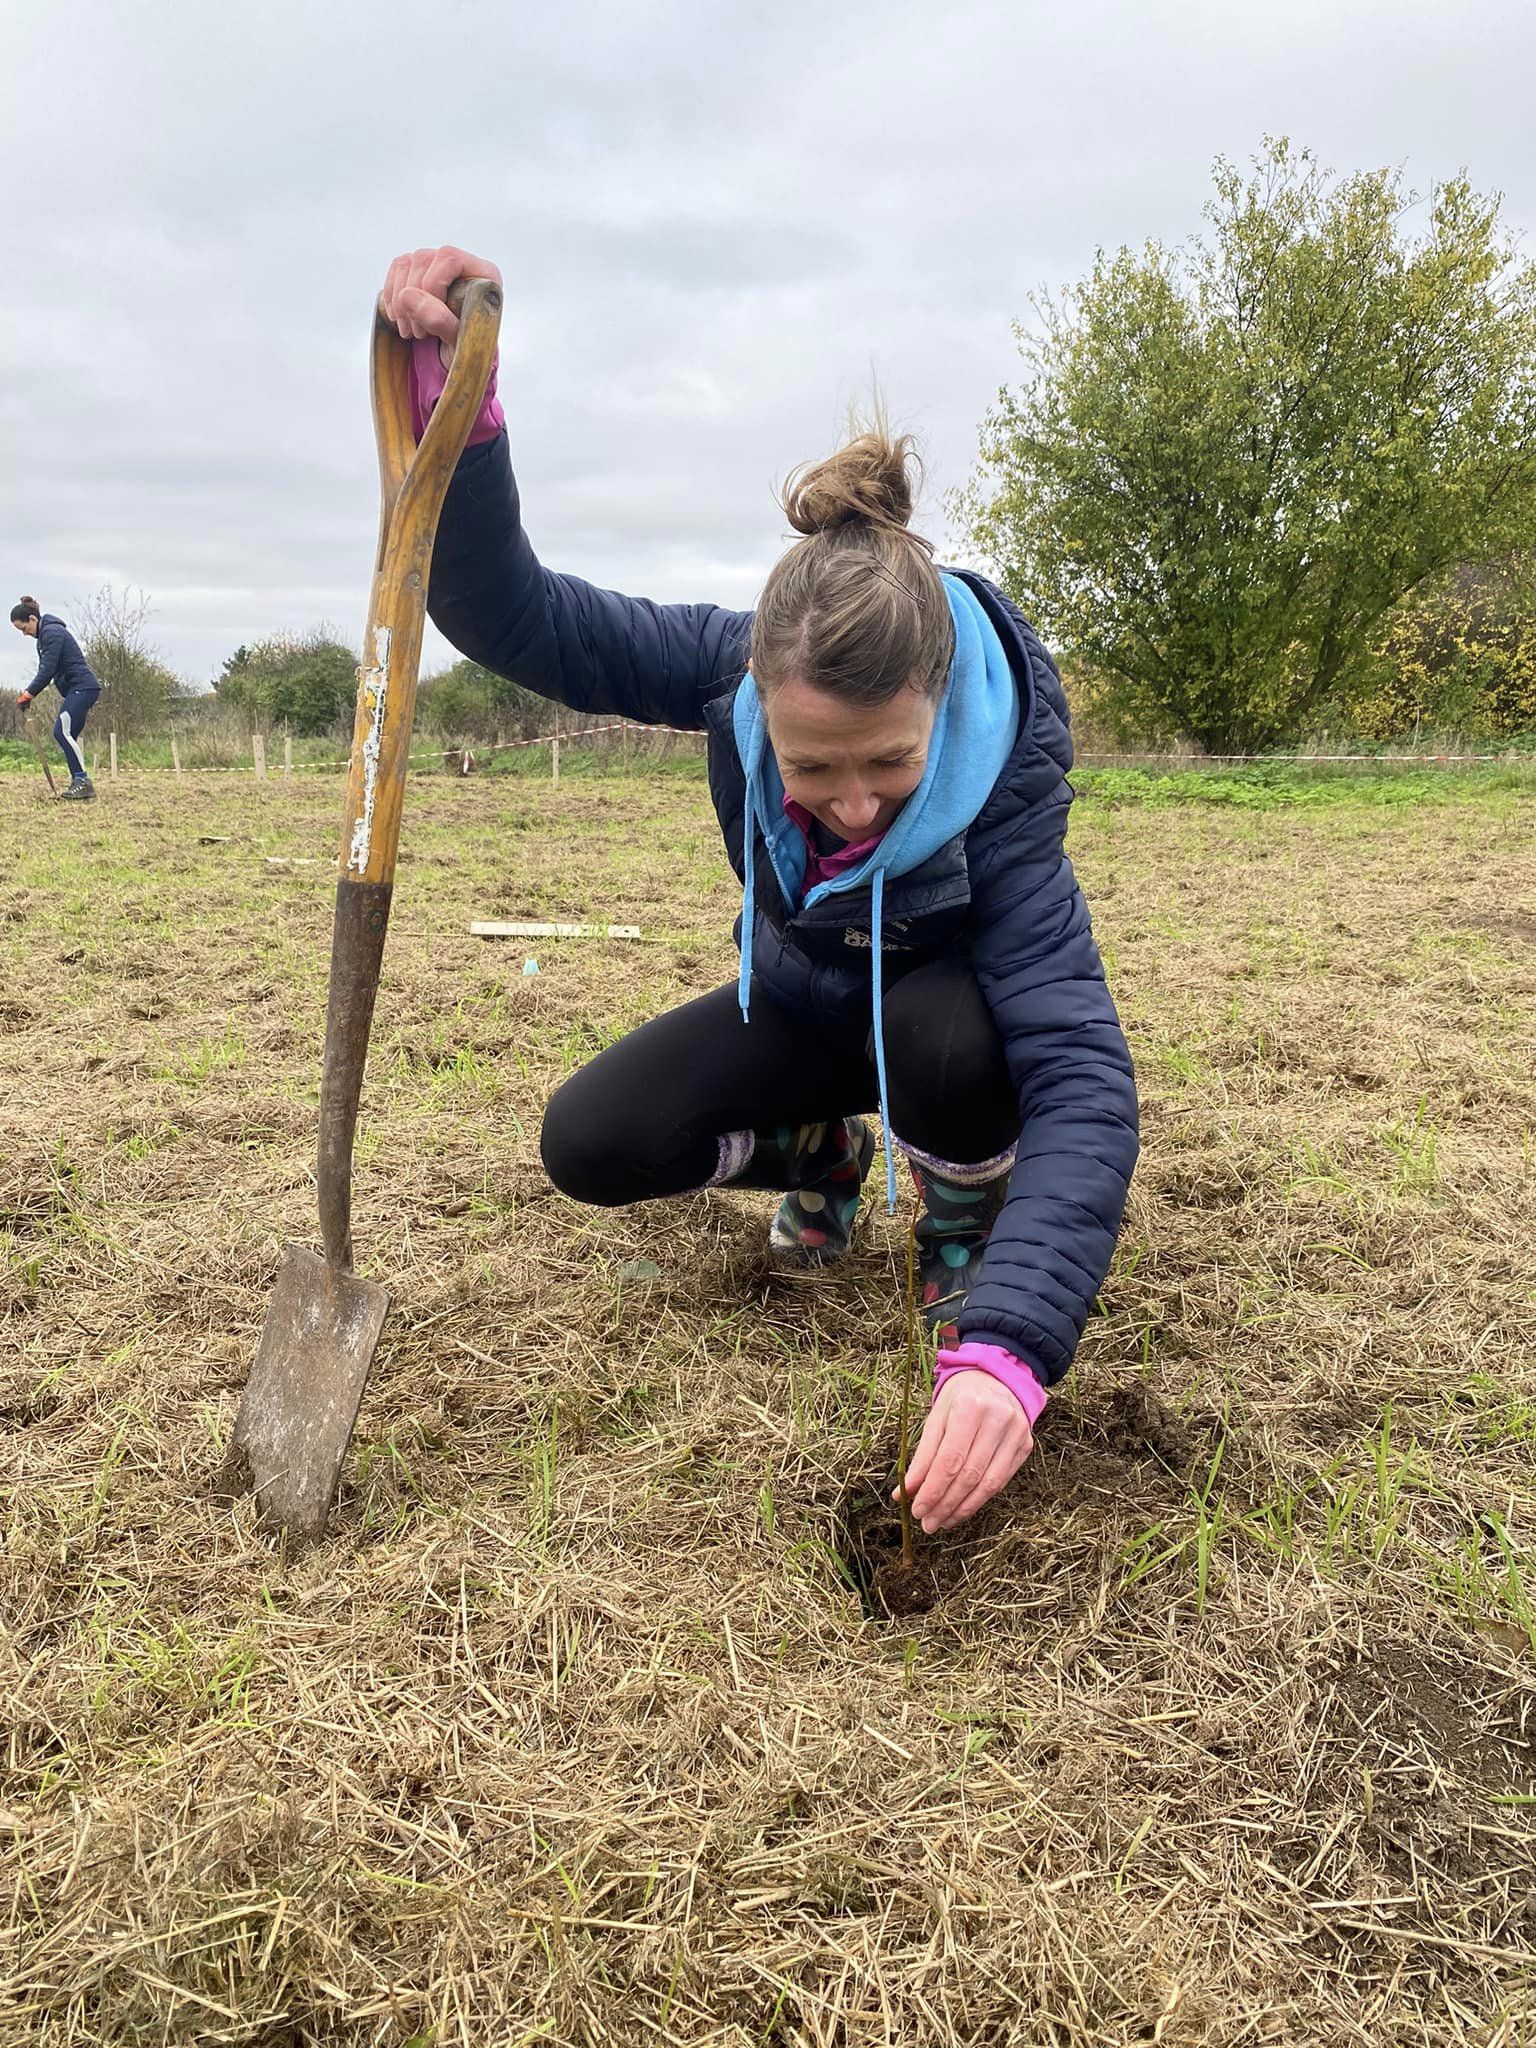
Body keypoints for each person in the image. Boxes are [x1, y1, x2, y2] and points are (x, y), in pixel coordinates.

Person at [382, 246, 1140, 1536]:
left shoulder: (1005, 786)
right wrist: (465, 401)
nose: (852, 804)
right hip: (802, 1009)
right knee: (594, 1141)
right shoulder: (723, 673)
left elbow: (1085, 1080)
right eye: (813, 768)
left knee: (948, 1035)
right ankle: (828, 1151)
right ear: (757, 712)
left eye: (890, 765)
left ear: (939, 709)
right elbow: (513, 613)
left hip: (943, 1039)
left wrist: (1015, 1346)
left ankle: (959, 1222)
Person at [11, 598, 101, 801]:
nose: (24, 633)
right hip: (76, 690)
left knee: (62, 732)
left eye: (24, 628)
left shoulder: (52, 633)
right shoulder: (44, 638)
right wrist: (30, 694)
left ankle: (82, 781)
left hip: (83, 688)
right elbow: (47, 670)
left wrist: (28, 693)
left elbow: (47, 670)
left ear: (33, 618)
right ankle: (78, 782)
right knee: (68, 735)